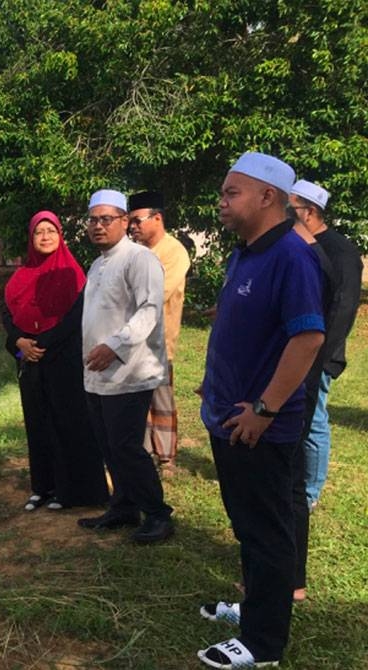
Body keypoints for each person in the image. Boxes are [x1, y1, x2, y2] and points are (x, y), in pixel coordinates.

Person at [198, 152, 324, 669]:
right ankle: (253, 610)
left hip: (259, 428)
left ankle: (263, 643)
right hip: (228, 419)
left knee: (268, 531)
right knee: (247, 525)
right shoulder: (245, 252)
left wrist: (265, 409)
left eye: (232, 193)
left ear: (267, 197)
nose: (221, 202)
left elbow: (308, 336)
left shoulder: (292, 256)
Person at [76, 189, 174, 544]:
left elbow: (149, 311)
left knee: (126, 446)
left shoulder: (139, 259)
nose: (98, 226)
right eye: (92, 219)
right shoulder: (98, 263)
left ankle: (158, 514)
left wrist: (115, 347)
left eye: (106, 219)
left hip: (131, 370)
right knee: (107, 444)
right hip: (98, 371)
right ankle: (124, 506)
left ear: (124, 221)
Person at [287, 179, 363, 604]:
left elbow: (343, 308)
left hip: (318, 357)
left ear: (310, 210)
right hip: (299, 354)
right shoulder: (299, 246)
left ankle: (311, 491)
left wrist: (316, 362)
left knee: (314, 422)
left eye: (290, 207)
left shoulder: (339, 250)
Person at [3, 211, 109, 511]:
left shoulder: (72, 273)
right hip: (29, 362)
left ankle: (71, 491)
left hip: (64, 360)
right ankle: (42, 487)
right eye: (39, 232)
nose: (46, 237)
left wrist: (42, 344)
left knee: (69, 423)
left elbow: (75, 319)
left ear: (60, 235)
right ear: (31, 238)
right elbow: (8, 317)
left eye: (51, 231)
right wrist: (21, 345)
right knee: (37, 424)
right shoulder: (20, 276)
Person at [128, 191, 190, 470]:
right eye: (130, 222)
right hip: (132, 338)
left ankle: (166, 457)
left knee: (160, 397)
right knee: (138, 398)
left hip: (159, 340)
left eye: (137, 221)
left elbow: (156, 294)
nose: (133, 227)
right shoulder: (137, 253)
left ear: (157, 218)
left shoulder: (173, 251)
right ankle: (143, 452)